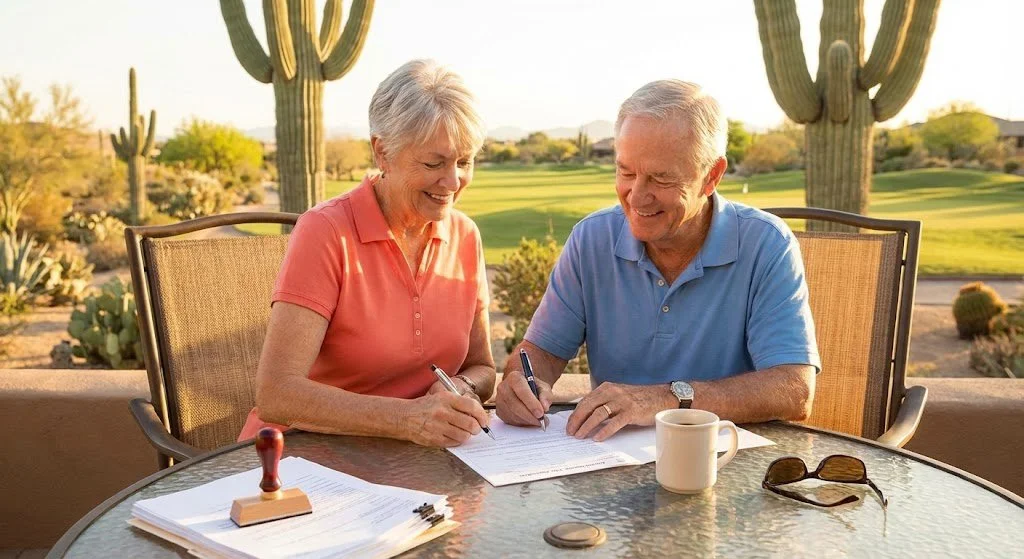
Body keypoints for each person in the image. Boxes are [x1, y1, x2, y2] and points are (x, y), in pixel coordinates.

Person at [496, 80, 820, 441]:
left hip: (725, 465)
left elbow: (794, 389)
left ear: (711, 175)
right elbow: (541, 352)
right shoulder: (591, 239)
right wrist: (519, 384)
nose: (637, 196)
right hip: (608, 467)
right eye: (626, 172)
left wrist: (666, 399)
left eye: (661, 178)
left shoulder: (767, 244)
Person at [239, 60, 494, 447]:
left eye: (464, 161)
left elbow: (483, 369)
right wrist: (408, 419)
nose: (453, 181)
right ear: (383, 152)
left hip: (410, 459)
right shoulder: (325, 231)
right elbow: (276, 394)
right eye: (433, 162)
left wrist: (459, 386)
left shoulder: (465, 236)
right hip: (301, 456)